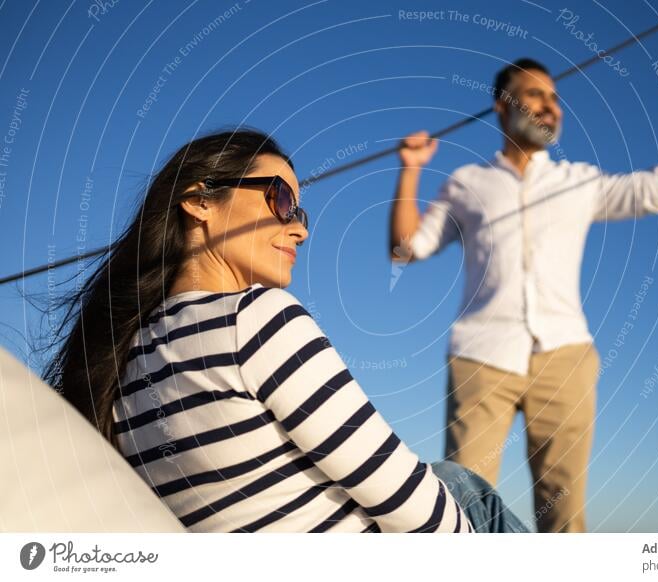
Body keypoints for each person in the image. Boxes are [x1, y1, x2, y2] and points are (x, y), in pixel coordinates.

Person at [43, 128, 529, 533]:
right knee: (461, 489)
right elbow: (421, 512)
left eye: (299, 212)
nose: (299, 228)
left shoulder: (120, 364)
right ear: (199, 202)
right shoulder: (255, 319)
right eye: (280, 199)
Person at [388, 58, 658, 532]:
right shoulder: (467, 184)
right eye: (535, 95)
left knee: (564, 517)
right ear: (501, 105)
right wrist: (410, 170)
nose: (550, 106)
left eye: (554, 98)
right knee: (462, 503)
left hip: (565, 359)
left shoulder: (579, 182)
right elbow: (407, 249)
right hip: (481, 359)